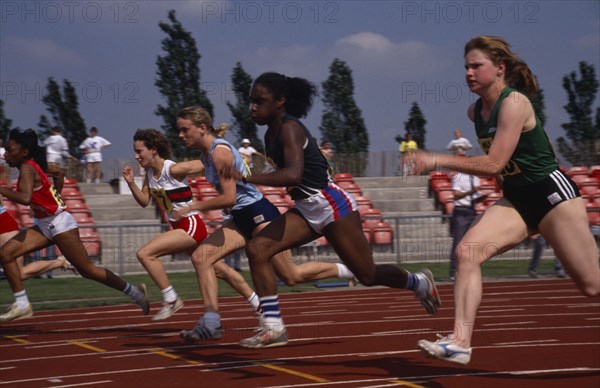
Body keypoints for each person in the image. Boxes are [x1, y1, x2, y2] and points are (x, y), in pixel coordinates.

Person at [413, 36, 599, 365]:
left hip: (551, 194)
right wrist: (504, 185)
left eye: (476, 66)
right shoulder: (475, 112)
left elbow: (493, 163)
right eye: (466, 67)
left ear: (499, 69)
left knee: (591, 286)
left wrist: (436, 160)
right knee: (467, 252)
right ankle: (460, 341)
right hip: (518, 198)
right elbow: (501, 169)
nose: (469, 73)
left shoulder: (514, 104)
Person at [232, 72, 440, 348]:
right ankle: (273, 327)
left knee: (366, 275)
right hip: (307, 208)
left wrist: (246, 177)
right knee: (258, 249)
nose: (253, 108)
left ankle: (419, 282)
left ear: (280, 101)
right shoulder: (271, 132)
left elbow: (293, 175)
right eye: (251, 102)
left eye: (259, 101)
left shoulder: (290, 128)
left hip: (331, 206)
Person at [175, 106, 358, 343]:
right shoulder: (206, 155)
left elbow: (230, 198)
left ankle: (348, 270)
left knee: (291, 276)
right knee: (201, 257)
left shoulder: (220, 153)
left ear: (201, 128)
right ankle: (211, 322)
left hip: (258, 214)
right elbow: (194, 174)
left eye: (184, 130)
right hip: (240, 219)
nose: (180, 135)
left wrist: (193, 207)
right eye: (178, 130)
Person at [0, 128, 149, 322]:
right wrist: (55, 197)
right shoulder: (34, 165)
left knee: (88, 270)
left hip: (60, 225)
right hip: (46, 224)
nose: (5, 154)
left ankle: (136, 294)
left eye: (10, 150)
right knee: (7, 253)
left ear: (24, 152)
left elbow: (25, 198)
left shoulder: (28, 167)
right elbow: (59, 173)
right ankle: (22, 304)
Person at [448, 170, 481, 281]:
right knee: (458, 242)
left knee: (473, 243)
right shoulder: (458, 176)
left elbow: (475, 197)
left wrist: (483, 197)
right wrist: (471, 191)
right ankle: (453, 271)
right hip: (461, 211)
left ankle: (470, 270)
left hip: (472, 210)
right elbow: (456, 195)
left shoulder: (475, 178)